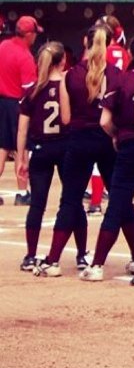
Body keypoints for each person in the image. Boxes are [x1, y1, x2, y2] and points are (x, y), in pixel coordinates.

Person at [34, 25, 128, 277]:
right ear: (109, 44)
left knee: (70, 200)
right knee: (120, 198)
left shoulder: (71, 75)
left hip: (79, 140)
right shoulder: (117, 74)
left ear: (85, 41)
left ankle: (53, 259)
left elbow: (65, 118)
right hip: (108, 140)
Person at [79, 35, 134, 283]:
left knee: (117, 205)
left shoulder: (121, 79)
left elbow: (104, 121)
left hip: (128, 145)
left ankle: (98, 264)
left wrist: (117, 135)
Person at [16, 43, 69, 272]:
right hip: (65, 147)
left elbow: (22, 129)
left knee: (37, 204)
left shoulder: (33, 90)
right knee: (71, 201)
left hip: (40, 147)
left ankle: (30, 255)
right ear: (63, 61)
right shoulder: (68, 86)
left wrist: (21, 158)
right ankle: (81, 255)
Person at [0, 16, 39, 207]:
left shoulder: (3, 46)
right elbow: (29, 91)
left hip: (1, 102)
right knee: (20, 148)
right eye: (34, 34)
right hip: (17, 103)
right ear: (29, 34)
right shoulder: (25, 57)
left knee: (1, 147)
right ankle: (22, 193)